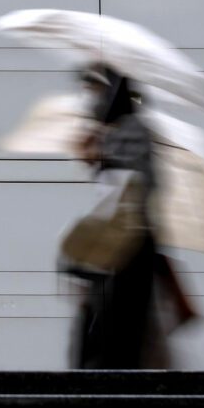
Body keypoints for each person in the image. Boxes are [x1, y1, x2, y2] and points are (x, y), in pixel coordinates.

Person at [69, 65, 160, 369]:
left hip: (126, 240)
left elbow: (132, 184)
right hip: (119, 238)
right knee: (109, 324)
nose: (89, 99)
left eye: (93, 89)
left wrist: (100, 154)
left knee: (117, 324)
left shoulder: (130, 128)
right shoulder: (119, 130)